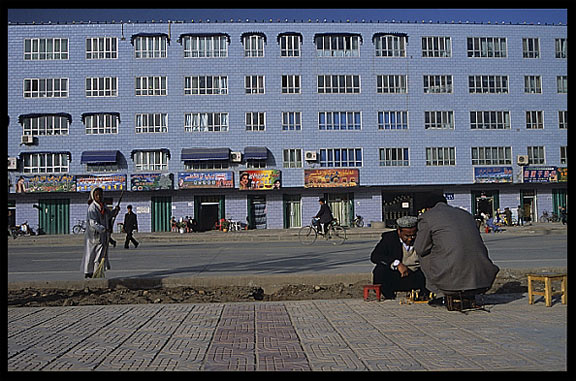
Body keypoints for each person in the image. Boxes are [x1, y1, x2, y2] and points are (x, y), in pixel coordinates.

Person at [413, 194, 499, 307]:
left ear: (428, 208)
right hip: (482, 279)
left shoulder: (428, 217)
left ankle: (440, 293)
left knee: (423, 254)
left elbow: (420, 247)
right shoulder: (465, 214)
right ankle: (467, 289)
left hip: (451, 281)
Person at [370, 216, 429, 299]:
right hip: (396, 276)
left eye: (413, 236)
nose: (409, 239)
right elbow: (375, 256)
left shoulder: (422, 239)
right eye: (406, 236)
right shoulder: (389, 239)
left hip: (416, 275)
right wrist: (396, 264)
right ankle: (388, 295)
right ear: (399, 232)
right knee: (380, 269)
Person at [81, 187, 119, 278]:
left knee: (100, 255)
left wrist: (115, 211)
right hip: (93, 237)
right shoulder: (92, 208)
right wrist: (104, 229)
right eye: (97, 195)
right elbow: (93, 223)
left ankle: (97, 272)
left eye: (100, 195)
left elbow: (109, 215)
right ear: (93, 196)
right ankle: (89, 272)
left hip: (102, 237)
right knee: (92, 255)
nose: (99, 197)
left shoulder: (103, 207)